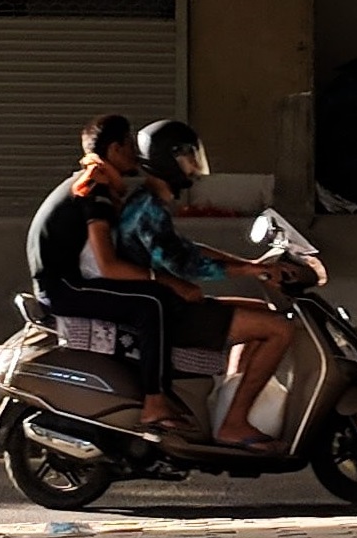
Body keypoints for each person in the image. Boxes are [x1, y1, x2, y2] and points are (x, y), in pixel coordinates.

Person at [115, 119, 294, 455]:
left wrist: (254, 266)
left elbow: (185, 247)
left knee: (263, 312)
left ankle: (229, 406)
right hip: (171, 311)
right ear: (168, 160)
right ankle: (234, 424)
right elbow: (183, 264)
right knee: (280, 330)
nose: (194, 166)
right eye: (187, 158)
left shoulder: (149, 202)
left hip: (171, 303)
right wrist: (245, 271)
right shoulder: (148, 208)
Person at [25, 113, 193, 432]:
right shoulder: (95, 190)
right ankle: (154, 404)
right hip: (64, 289)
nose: (136, 153)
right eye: (130, 145)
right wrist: (166, 280)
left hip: (66, 282)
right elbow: (108, 265)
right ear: (114, 150)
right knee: (152, 303)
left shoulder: (96, 182)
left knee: (155, 296)